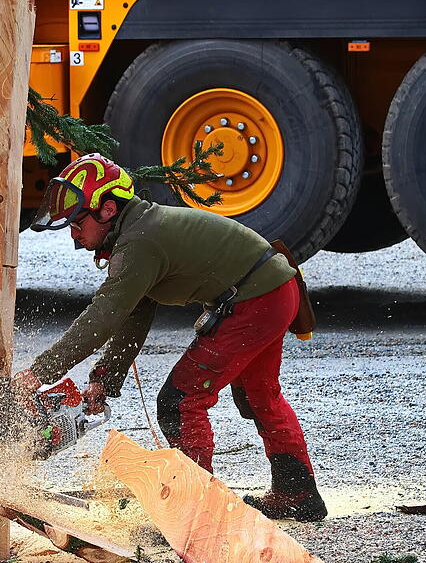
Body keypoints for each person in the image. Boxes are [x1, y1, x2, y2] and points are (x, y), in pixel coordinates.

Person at [16, 153, 327, 522]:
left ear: (108, 210)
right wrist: (104, 380)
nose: (73, 233)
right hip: (273, 290)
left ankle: (197, 512)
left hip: (257, 299)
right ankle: (298, 493)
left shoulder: (139, 242)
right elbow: (135, 312)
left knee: (180, 400)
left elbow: (104, 315)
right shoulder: (137, 232)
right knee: (261, 396)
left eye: (78, 222)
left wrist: (38, 373)